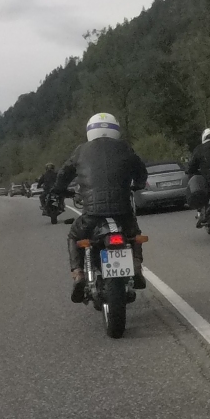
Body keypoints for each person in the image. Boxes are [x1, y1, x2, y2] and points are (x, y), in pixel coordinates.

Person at [51, 113, 148, 303]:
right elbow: (141, 171)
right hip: (122, 212)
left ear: (90, 131)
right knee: (134, 234)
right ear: (115, 130)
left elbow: (64, 174)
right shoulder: (125, 147)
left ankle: (78, 274)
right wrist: (137, 185)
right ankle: (136, 266)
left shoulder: (80, 151)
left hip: (92, 214)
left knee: (74, 236)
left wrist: (59, 190)